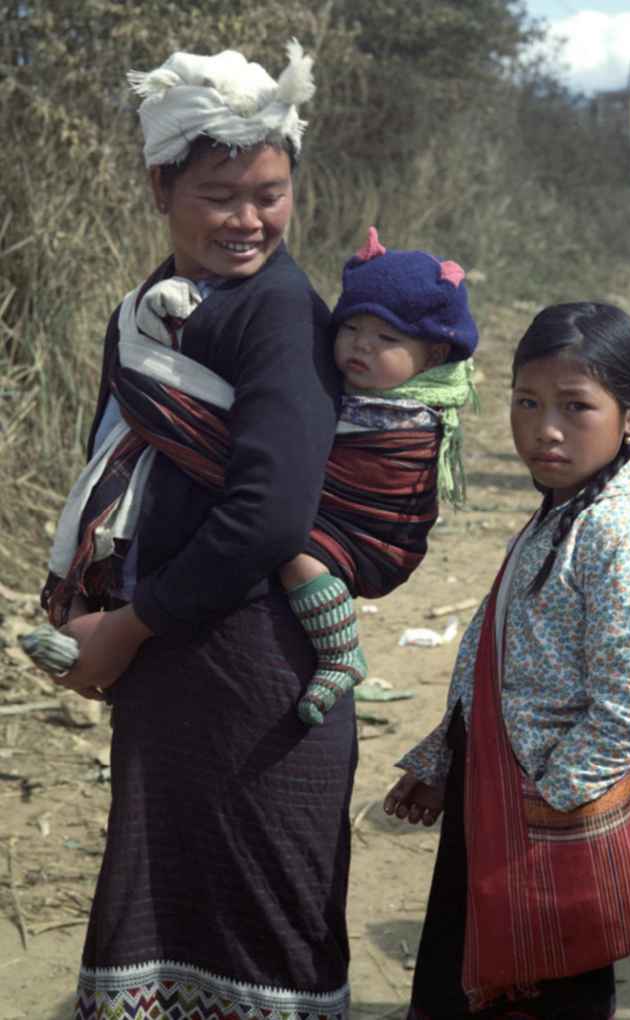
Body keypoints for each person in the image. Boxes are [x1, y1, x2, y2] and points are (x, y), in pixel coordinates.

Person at [39, 46, 356, 1020]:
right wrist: (94, 616)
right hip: (174, 665)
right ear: (158, 187)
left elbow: (265, 514)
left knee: (263, 928)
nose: (249, 220)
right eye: (220, 195)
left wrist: (128, 629)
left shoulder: (279, 315)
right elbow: (116, 472)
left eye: (270, 193)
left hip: (261, 678)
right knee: (170, 908)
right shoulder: (147, 314)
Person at [385, 303, 630, 1020]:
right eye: (527, 403)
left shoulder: (618, 535)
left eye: (575, 406)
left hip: (543, 824)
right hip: (499, 802)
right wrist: (444, 759)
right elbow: (492, 651)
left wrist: (545, 803)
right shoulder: (563, 512)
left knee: (546, 993)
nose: (545, 429)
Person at [280, 225, 479, 725]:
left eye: (386, 337)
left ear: (432, 356)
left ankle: (340, 653)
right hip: (343, 522)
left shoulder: (406, 414)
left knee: (291, 552)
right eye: (350, 329)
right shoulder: (356, 389)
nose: (360, 347)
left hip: (373, 535)